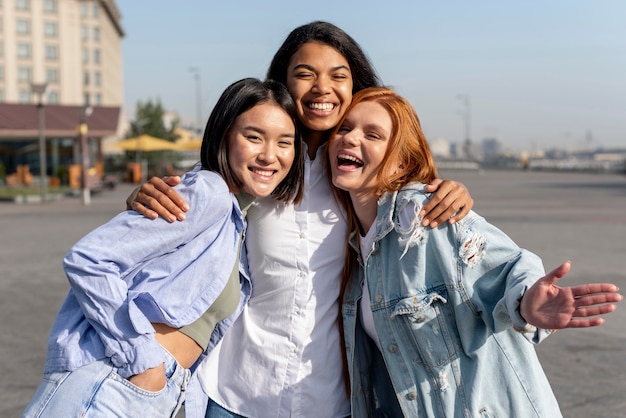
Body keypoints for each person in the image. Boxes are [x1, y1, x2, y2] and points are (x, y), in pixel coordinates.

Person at [128, 22, 474, 418]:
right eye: (305, 74)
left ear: (354, 85)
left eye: (337, 76)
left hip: (332, 398)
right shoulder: (253, 170)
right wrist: (144, 199)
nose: (322, 88)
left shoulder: (364, 179)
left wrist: (452, 192)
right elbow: (182, 204)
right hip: (234, 392)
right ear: (282, 84)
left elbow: (417, 207)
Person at [326, 86, 622, 417]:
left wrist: (526, 302)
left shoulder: (425, 216)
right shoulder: (355, 248)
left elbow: (511, 264)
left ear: (400, 163)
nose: (351, 138)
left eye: (373, 134)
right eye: (345, 128)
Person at [22, 78, 304, 418]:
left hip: (151, 392)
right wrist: (143, 362)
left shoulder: (237, 217)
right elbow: (89, 260)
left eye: (284, 142)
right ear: (224, 136)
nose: (269, 154)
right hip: (115, 383)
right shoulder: (208, 191)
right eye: (254, 137)